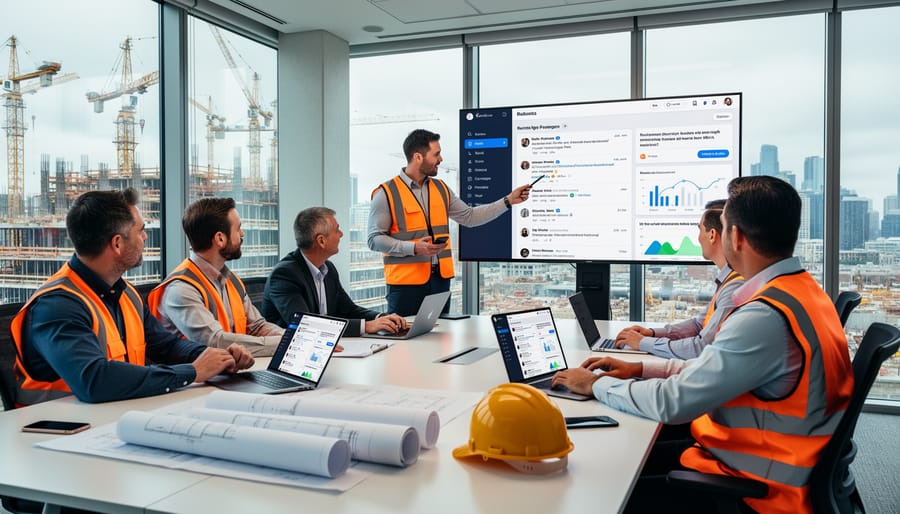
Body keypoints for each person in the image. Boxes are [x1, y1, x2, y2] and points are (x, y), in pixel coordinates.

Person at [552, 176, 853, 514]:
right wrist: (638, 368)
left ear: (735, 237)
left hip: (757, 489)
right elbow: (717, 364)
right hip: (761, 460)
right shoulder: (802, 293)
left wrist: (595, 384)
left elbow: (672, 402)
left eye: (722, 226)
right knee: (621, 455)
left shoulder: (764, 316)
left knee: (597, 487)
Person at [11, 189, 253, 405]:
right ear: (117, 244)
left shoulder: (126, 294)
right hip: (54, 437)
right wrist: (192, 372)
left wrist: (215, 359)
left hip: (117, 417)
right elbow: (93, 380)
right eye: (141, 231)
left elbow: (166, 346)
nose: (145, 238)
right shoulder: (58, 305)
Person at [368, 129, 532, 316]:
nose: (441, 159)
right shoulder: (386, 193)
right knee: (404, 340)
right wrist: (413, 248)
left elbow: (469, 217)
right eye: (436, 154)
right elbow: (374, 240)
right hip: (405, 286)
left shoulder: (441, 189)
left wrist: (508, 201)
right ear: (418, 157)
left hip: (440, 282)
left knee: (440, 340)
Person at [148, 197, 284, 357]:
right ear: (220, 238)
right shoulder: (181, 290)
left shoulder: (231, 280)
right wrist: (285, 344)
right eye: (238, 229)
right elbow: (216, 342)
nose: (242, 234)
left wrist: (290, 338)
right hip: (196, 380)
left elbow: (257, 326)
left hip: (230, 373)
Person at [613, 199, 743, 359]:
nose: (697, 238)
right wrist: (652, 333)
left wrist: (643, 343)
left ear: (712, 235)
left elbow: (701, 348)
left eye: (699, 229)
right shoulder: (728, 279)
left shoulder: (735, 285)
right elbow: (698, 324)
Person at [263, 207, 408, 336]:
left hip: (327, 347)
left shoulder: (328, 268)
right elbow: (306, 324)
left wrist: (381, 318)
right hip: (294, 354)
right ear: (321, 241)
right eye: (337, 230)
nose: (341, 234)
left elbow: (349, 309)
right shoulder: (284, 275)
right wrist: (366, 326)